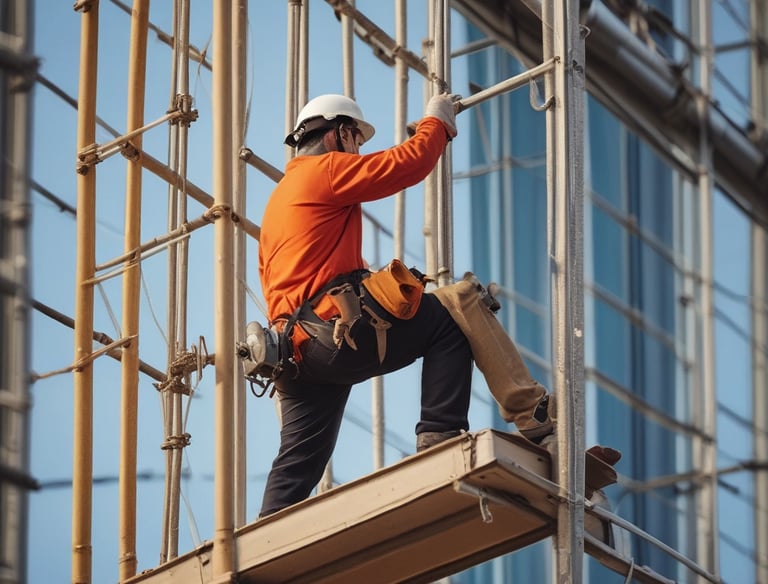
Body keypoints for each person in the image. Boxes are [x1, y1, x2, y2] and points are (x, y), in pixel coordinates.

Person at [256, 93, 555, 518]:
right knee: (454, 312)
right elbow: (408, 164)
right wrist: (437, 123)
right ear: (339, 134)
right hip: (330, 333)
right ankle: (459, 431)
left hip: (295, 354)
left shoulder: (280, 203)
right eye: (355, 140)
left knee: (298, 463)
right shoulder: (322, 171)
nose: (357, 150)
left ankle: (265, 539)